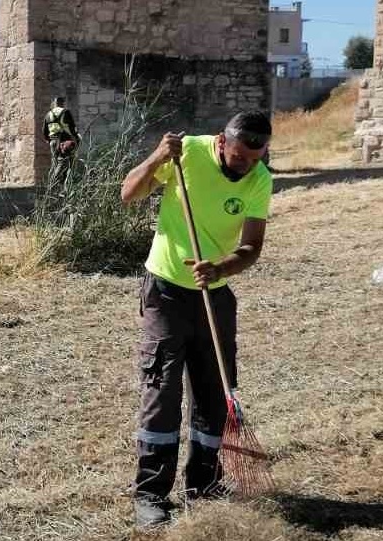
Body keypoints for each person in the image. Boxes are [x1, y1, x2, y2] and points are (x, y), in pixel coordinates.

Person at [119, 112, 273, 529]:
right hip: (166, 290)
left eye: (254, 159)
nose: (244, 167)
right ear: (222, 141)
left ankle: (203, 485)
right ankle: (151, 493)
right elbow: (128, 194)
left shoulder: (260, 178)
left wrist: (220, 268)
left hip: (215, 292)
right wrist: (155, 158)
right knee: (162, 390)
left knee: (214, 390)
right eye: (239, 157)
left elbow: (252, 247)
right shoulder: (185, 153)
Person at [41, 97, 80, 182]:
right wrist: (76, 138)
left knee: (55, 164)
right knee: (64, 163)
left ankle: (56, 186)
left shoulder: (49, 114)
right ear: (63, 103)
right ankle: (54, 182)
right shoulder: (65, 112)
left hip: (52, 142)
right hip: (64, 141)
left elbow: (44, 130)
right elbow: (73, 127)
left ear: (55, 103)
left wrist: (49, 140)